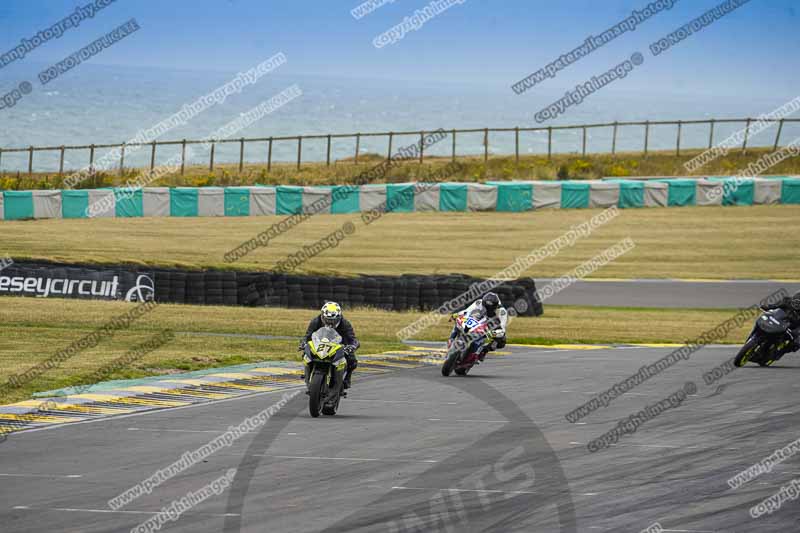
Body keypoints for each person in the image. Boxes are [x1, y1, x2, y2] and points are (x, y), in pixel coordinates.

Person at [300, 302, 359, 391]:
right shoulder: (316, 321)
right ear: (323, 316)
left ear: (338, 317)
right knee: (306, 352)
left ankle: (347, 378)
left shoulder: (345, 324)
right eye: (327, 320)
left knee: (352, 360)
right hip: (320, 344)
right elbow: (307, 336)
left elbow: (353, 339)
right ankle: (308, 372)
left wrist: (352, 346)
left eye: (333, 320)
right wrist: (303, 343)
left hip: (339, 345)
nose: (330, 322)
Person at [450, 292, 508, 361]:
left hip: (490, 326)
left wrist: (492, 333)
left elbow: (502, 330)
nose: (487, 309)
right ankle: (451, 339)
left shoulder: (502, 312)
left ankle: (484, 351)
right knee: (459, 321)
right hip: (477, 320)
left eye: (489, 308)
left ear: (495, 306)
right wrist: (457, 314)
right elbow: (467, 311)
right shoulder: (479, 303)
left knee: (502, 341)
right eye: (485, 306)